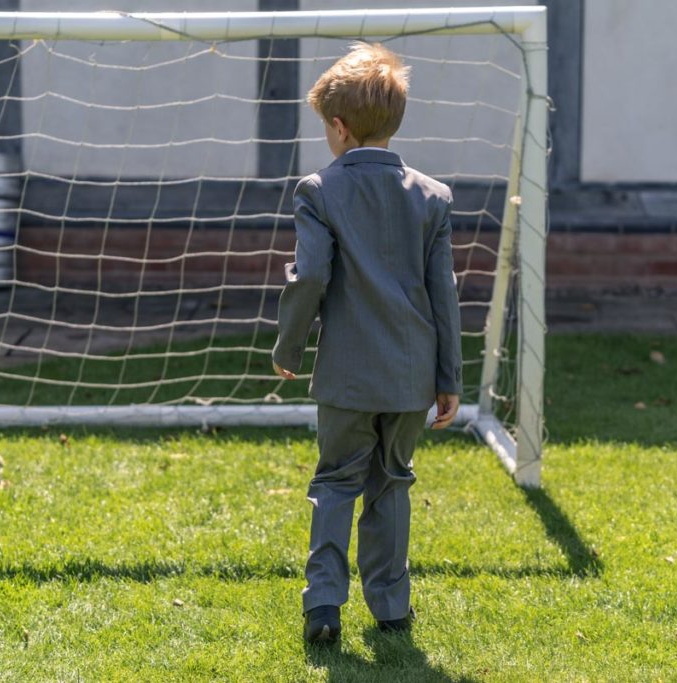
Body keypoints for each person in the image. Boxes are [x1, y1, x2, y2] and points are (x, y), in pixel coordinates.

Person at [271, 42, 463, 644]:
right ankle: (390, 608)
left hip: (348, 377)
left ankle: (323, 605)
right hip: (410, 378)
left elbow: (312, 277)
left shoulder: (317, 191)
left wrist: (289, 348)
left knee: (334, 483)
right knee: (392, 482)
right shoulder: (432, 197)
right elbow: (444, 294)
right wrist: (448, 378)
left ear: (338, 126)